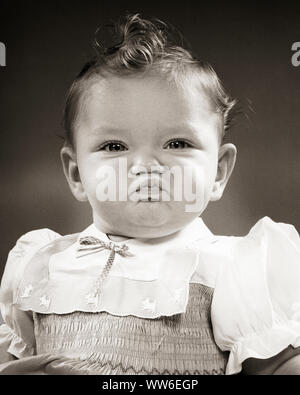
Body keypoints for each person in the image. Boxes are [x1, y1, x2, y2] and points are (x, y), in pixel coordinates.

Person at [0, 13, 300, 375]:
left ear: (218, 171)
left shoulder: (234, 269)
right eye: (114, 146)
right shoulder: (38, 264)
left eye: (177, 143)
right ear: (77, 174)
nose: (145, 165)